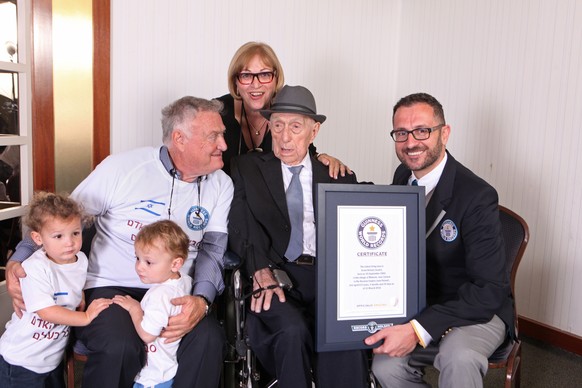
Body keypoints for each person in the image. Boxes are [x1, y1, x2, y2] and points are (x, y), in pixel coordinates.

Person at [6, 96, 234, 388]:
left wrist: (201, 302)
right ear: (180, 138)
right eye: (214, 136)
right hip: (111, 286)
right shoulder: (123, 168)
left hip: (175, 290)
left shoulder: (220, 184)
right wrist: (19, 258)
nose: (224, 145)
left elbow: (213, 251)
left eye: (222, 135)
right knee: (120, 344)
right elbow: (58, 218)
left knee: (208, 339)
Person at [366, 93, 514, 388]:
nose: (411, 142)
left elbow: (489, 289)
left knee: (458, 357)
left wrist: (418, 329)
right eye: (401, 133)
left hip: (475, 310)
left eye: (422, 131)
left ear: (444, 134)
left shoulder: (477, 196)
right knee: (385, 365)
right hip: (422, 305)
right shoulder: (403, 176)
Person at [228, 85, 369, 388]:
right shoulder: (247, 169)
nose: (284, 136)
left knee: (340, 331)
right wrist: (259, 269)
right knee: (291, 330)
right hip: (275, 274)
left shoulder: (337, 174)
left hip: (326, 278)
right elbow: (240, 227)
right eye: (277, 125)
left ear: (313, 131)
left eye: (295, 127)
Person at [0, 192, 111, 388]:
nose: (69, 242)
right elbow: (46, 312)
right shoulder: (34, 268)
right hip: (21, 360)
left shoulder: (81, 260)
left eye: (75, 233)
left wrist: (80, 294)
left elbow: (73, 282)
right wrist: (85, 317)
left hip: (51, 357)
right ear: (38, 238)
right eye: (58, 236)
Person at [217, 41, 351, 178]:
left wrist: (322, 158)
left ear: (276, 78)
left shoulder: (285, 110)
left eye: (264, 75)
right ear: (235, 81)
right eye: (246, 75)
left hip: (269, 198)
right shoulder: (217, 112)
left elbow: (302, 148)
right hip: (224, 196)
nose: (255, 84)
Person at [113, 220, 193, 388]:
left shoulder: (161, 295)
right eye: (137, 258)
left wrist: (134, 308)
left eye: (148, 262)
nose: (139, 267)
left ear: (175, 264)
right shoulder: (183, 281)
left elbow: (148, 335)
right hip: (167, 368)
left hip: (152, 377)